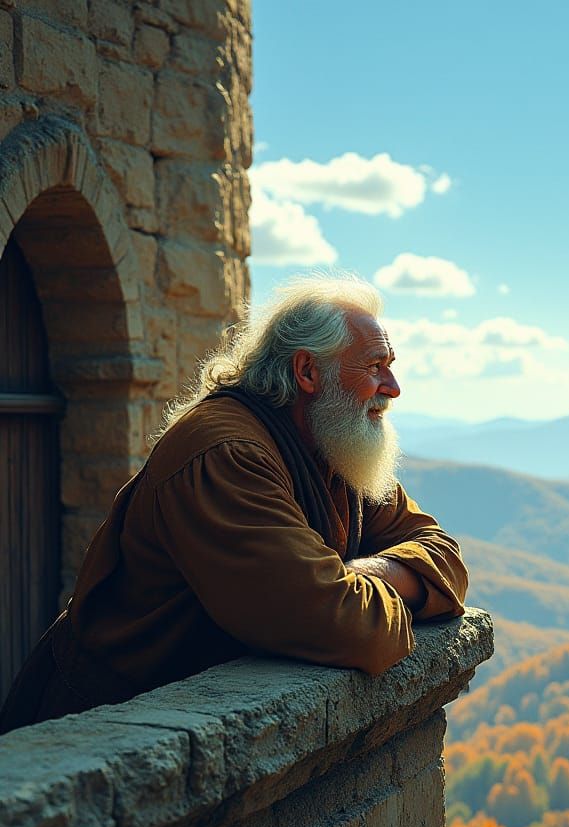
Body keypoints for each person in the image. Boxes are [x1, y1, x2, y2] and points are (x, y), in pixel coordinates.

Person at [0, 275, 469, 732]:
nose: (392, 387)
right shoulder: (226, 454)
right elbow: (348, 626)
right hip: (96, 731)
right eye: (373, 367)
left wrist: (364, 573)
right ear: (307, 371)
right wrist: (391, 581)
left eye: (389, 364)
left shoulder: (335, 444)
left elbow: (446, 558)